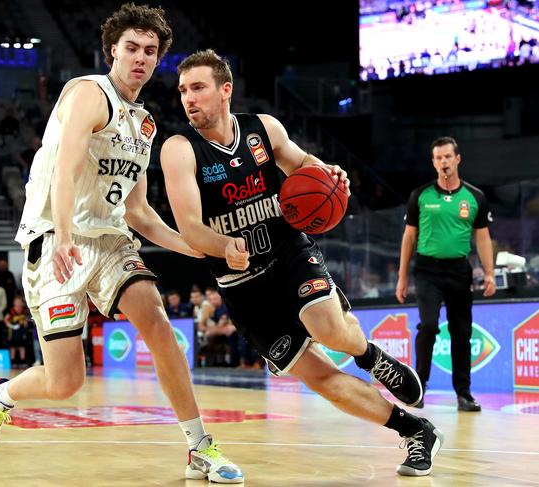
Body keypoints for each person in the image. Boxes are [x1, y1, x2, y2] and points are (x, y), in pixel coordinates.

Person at [0, 6, 243, 483]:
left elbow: (138, 212)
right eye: (131, 48)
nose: (140, 58)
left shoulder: (146, 124)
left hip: (112, 241)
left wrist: (195, 247)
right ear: (112, 49)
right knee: (64, 382)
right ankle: (0, 394)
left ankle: (199, 446)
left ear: (158, 61)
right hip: (55, 239)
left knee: (156, 321)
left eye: (150, 52)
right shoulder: (88, 93)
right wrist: (66, 236)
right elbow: (68, 162)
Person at [160, 49, 442, 477]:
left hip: (289, 253)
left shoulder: (263, 130)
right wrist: (222, 245)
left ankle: (369, 356)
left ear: (225, 90)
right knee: (320, 378)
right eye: (183, 90)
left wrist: (331, 173)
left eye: (197, 87)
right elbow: (190, 227)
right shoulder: (179, 150)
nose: (188, 98)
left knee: (327, 329)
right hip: (243, 289)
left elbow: (304, 165)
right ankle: (415, 429)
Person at [396, 136, 496, 411]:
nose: (443, 162)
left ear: (457, 159)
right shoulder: (421, 195)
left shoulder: (475, 197)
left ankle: (463, 394)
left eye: (448, 157)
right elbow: (409, 237)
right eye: (438, 158)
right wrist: (402, 277)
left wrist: (489, 273)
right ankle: (419, 389)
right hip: (427, 270)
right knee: (428, 326)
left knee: (462, 332)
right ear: (433, 162)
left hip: (459, 271)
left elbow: (483, 238)